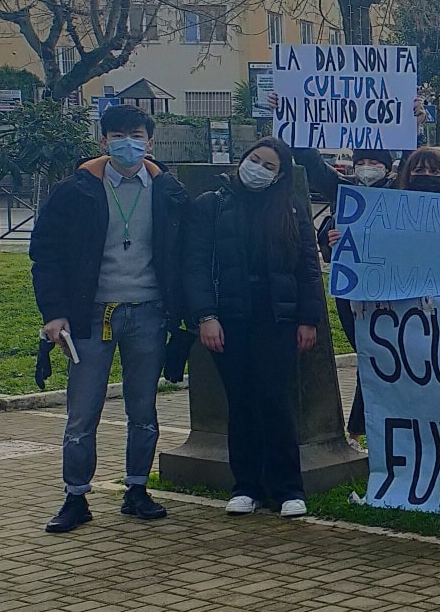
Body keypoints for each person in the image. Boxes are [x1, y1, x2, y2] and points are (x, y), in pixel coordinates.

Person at [31, 104, 192, 532]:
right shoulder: (76, 190)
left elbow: (187, 248)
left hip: (148, 312)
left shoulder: (167, 191)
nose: (128, 142)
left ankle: (137, 489)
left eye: (137, 134)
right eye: (118, 134)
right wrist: (54, 313)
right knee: (82, 413)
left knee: (144, 409)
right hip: (90, 316)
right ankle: (76, 496)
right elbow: (44, 254)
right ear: (103, 140)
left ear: (150, 141)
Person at [184, 138, 327, 519]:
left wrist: (308, 319)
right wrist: (205, 316)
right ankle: (245, 485)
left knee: (276, 401)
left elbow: (308, 269)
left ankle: (288, 488)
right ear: (241, 159)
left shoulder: (292, 210)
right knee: (242, 403)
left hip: (276, 321)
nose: (258, 169)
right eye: (255, 160)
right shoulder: (211, 206)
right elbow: (196, 265)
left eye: (269, 166)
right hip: (228, 321)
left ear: (280, 175)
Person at [315, 148, 395, 437]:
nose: (366, 167)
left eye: (374, 162)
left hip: (393, 291)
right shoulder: (343, 194)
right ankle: (362, 430)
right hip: (353, 293)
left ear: (388, 168)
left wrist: (415, 127)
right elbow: (313, 165)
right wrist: (329, 238)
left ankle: (362, 429)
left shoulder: (401, 191)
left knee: (381, 357)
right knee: (368, 354)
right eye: (360, 162)